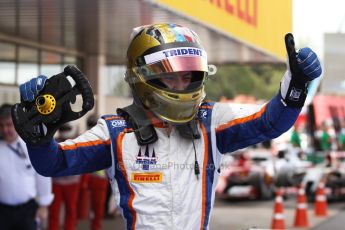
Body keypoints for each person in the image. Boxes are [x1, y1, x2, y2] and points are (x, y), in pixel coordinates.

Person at [19, 23, 322, 229]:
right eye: (169, 75)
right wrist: (39, 136)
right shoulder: (115, 131)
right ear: (142, 76)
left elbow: (270, 123)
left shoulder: (211, 121)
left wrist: (295, 84)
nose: (181, 84)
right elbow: (54, 164)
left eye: (189, 75)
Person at [0, 103, 54, 230]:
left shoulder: (31, 146)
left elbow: (43, 176)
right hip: (2, 211)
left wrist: (43, 206)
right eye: (1, 126)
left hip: (28, 210)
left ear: (17, 124)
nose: (5, 130)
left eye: (9, 125)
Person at [48, 122, 81, 230]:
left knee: (71, 210)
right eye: (63, 128)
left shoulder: (77, 142)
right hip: (56, 182)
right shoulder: (54, 142)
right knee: (54, 211)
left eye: (67, 128)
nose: (65, 131)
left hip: (72, 182)